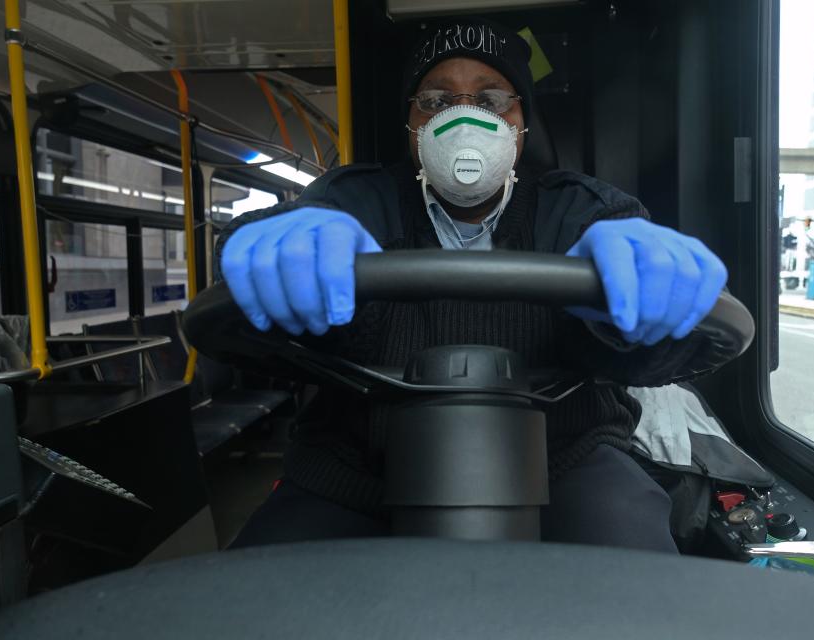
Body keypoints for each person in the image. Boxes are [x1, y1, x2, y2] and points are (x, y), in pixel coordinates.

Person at [217, 17, 727, 552]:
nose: (462, 119)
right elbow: (270, 280)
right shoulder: (356, 199)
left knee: (637, 593)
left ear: (521, 122)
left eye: (490, 100)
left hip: (566, 468)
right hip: (354, 477)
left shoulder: (579, 209)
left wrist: (630, 307)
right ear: (410, 123)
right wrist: (270, 244)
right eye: (436, 101)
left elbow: (647, 359)